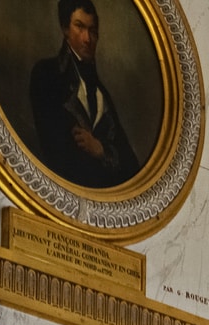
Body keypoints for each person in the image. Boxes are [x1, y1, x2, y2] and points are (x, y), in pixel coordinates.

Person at [29, 0, 141, 188]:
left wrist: (101, 150)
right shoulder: (46, 74)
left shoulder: (101, 94)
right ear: (65, 28)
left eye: (93, 31)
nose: (87, 39)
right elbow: (53, 151)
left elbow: (131, 165)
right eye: (79, 27)